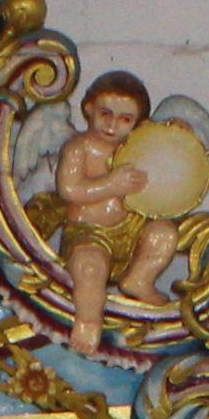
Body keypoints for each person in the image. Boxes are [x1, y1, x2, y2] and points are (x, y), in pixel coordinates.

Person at [42, 73, 169, 362]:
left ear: (138, 122)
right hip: (88, 234)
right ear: (88, 109)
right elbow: (69, 189)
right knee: (90, 267)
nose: (112, 125)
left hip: (131, 229)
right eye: (105, 114)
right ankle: (87, 320)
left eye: (125, 119)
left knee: (164, 234)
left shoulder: (136, 147)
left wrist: (176, 134)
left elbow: (166, 157)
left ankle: (139, 279)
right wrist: (111, 185)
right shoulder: (80, 148)